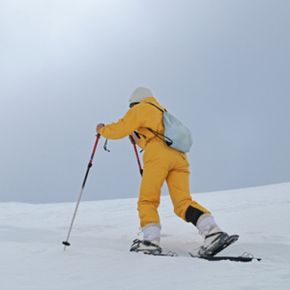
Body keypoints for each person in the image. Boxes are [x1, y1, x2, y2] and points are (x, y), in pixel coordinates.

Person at [96, 87, 235, 256]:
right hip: (180, 157)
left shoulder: (141, 108)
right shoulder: (161, 111)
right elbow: (157, 138)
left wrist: (102, 130)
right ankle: (213, 232)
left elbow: (120, 128)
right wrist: (138, 140)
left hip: (158, 157)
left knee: (147, 200)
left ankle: (150, 241)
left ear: (135, 102)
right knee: (183, 202)